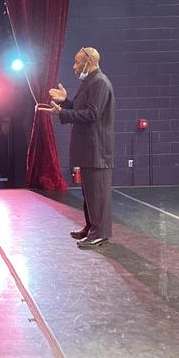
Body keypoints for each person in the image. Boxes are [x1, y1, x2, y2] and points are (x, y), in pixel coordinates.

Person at [38, 47, 115, 249]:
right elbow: (83, 109)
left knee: (97, 193)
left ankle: (99, 233)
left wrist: (61, 113)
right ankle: (91, 226)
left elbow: (92, 114)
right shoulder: (90, 82)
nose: (74, 66)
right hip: (89, 148)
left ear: (88, 63)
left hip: (96, 149)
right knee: (90, 192)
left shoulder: (99, 82)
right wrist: (67, 102)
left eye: (77, 62)